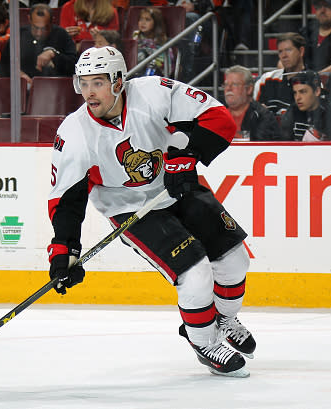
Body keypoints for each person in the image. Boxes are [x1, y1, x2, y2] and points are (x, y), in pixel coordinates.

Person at [48, 46, 255, 378]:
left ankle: (224, 319)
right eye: (83, 84)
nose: (89, 93)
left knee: (234, 259)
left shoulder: (155, 93)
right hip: (130, 207)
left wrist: (187, 155)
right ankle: (204, 341)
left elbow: (219, 118)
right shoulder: (73, 134)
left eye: (98, 82)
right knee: (195, 272)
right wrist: (64, 249)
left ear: (119, 81)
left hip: (174, 186)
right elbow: (67, 200)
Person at [0, 3, 76, 85]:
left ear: (52, 21)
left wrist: (54, 54)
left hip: (55, 87)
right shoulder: (19, 35)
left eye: (44, 28)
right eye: (36, 28)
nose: (39, 33)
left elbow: (74, 67)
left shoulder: (61, 35)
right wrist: (17, 73)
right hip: (23, 88)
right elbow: (3, 65)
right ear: (29, 19)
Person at [223, 65, 284, 141]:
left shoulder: (262, 117)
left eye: (235, 84)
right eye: (226, 84)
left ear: (249, 89)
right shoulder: (217, 114)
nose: (228, 88)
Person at [281, 70, 331, 141]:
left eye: (303, 92)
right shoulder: (292, 111)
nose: (297, 97)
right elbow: (284, 144)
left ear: (317, 91)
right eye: (295, 93)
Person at [253, 32, 307, 116]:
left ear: (301, 51)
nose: (284, 55)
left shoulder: (312, 81)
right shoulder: (266, 79)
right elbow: (251, 110)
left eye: (288, 50)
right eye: (280, 51)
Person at [132, 7, 174, 78]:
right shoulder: (136, 35)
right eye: (141, 19)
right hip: (136, 71)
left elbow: (166, 63)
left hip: (156, 72)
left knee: (142, 54)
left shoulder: (162, 40)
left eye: (147, 20)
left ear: (156, 22)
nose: (143, 23)